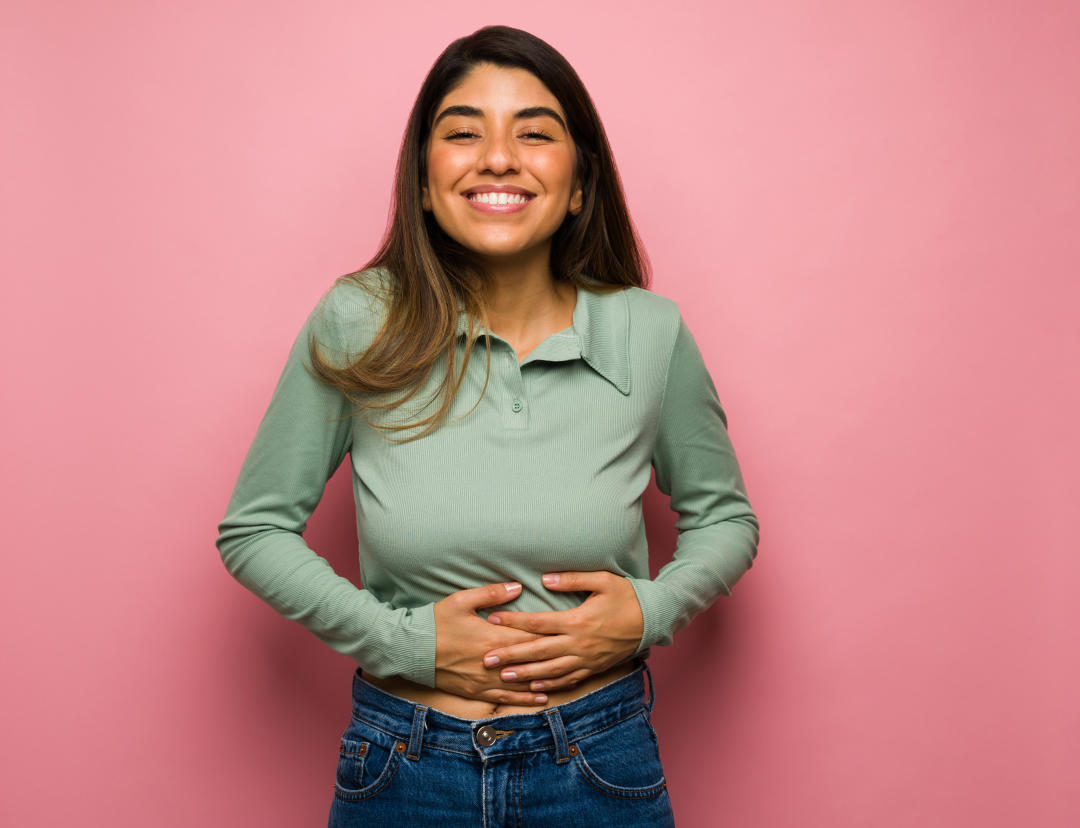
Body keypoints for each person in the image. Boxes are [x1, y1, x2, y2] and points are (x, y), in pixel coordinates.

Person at [215, 24, 758, 826]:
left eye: (534, 133)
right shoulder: (359, 318)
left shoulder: (651, 333)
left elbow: (725, 518)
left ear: (579, 184)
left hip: (598, 762)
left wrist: (649, 610)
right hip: (403, 765)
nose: (497, 157)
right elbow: (253, 530)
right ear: (425, 183)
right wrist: (407, 645)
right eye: (463, 132)